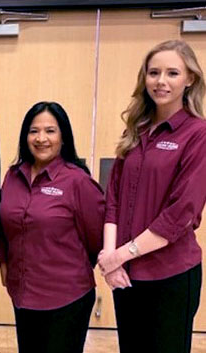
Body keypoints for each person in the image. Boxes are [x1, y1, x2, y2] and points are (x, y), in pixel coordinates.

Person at [98, 40, 206, 353]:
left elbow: (181, 213)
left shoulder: (197, 133)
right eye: (154, 72)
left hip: (170, 273)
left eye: (172, 73)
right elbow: (113, 200)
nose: (161, 81)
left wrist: (121, 254)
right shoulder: (137, 130)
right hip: (126, 274)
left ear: (190, 80)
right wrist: (110, 259)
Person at [0, 101, 104, 353]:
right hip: (23, 294)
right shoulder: (13, 175)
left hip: (66, 297)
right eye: (34, 131)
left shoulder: (78, 181)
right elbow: (2, 223)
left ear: (63, 136)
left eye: (50, 131)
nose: (41, 138)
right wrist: (4, 262)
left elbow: (96, 240)